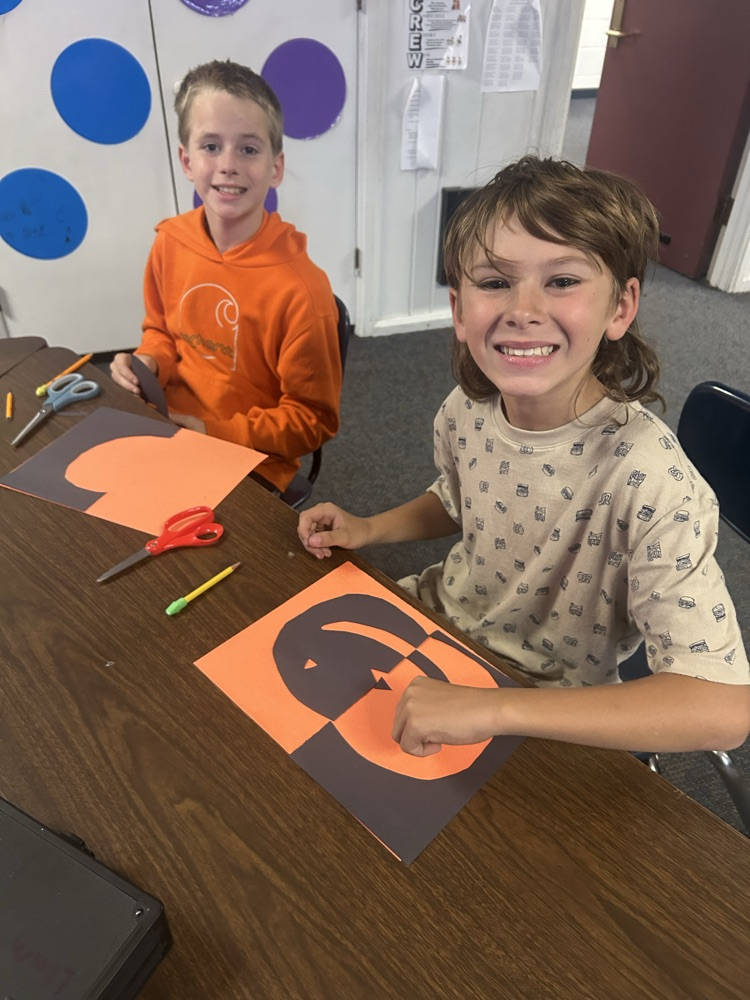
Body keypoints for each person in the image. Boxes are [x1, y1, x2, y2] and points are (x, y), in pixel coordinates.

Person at [298, 155, 750, 758]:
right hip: (437, 627)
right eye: (494, 282)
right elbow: (459, 499)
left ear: (620, 307)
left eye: (562, 281)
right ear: (460, 311)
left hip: (550, 701)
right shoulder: (465, 409)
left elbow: (722, 708)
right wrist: (369, 528)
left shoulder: (653, 483)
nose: (522, 309)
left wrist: (492, 709)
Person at [110, 59, 342, 492]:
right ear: (186, 160)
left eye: (249, 149)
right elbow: (161, 332)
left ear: (276, 168)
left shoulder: (302, 291)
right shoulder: (170, 242)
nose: (228, 164)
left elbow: (313, 421)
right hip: (170, 426)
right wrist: (148, 364)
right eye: (211, 146)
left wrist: (212, 432)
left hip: (251, 460)